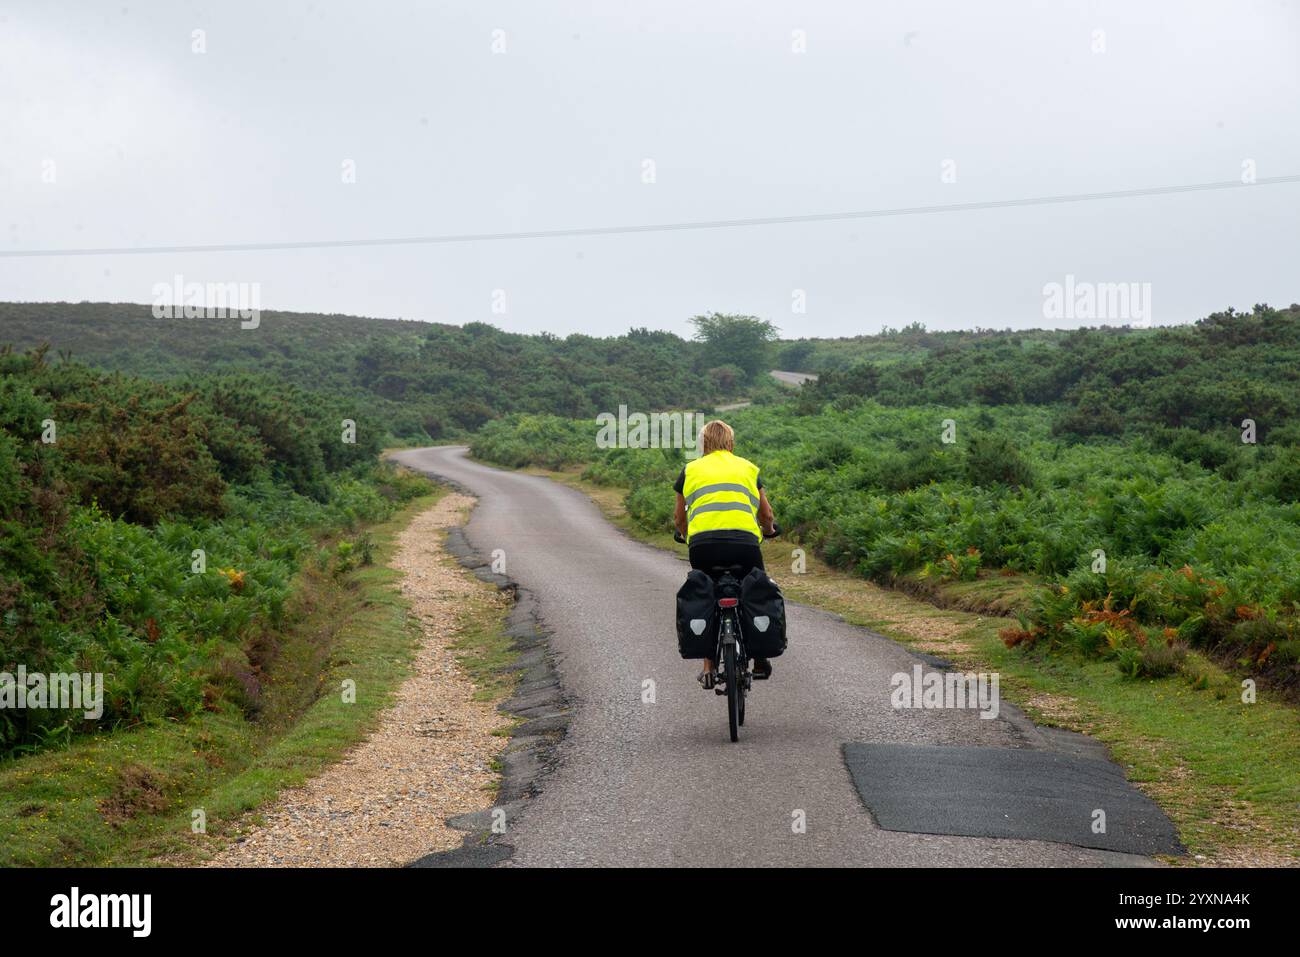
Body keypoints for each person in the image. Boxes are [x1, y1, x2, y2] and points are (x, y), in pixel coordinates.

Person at [673, 419, 777, 689]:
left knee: (705, 594)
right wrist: (769, 530)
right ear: (730, 443)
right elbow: (765, 514)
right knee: (756, 588)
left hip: (703, 546)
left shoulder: (689, 470)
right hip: (745, 545)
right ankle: (760, 658)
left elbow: (679, 518)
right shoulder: (748, 468)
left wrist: (686, 536)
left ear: (703, 444)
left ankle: (708, 667)